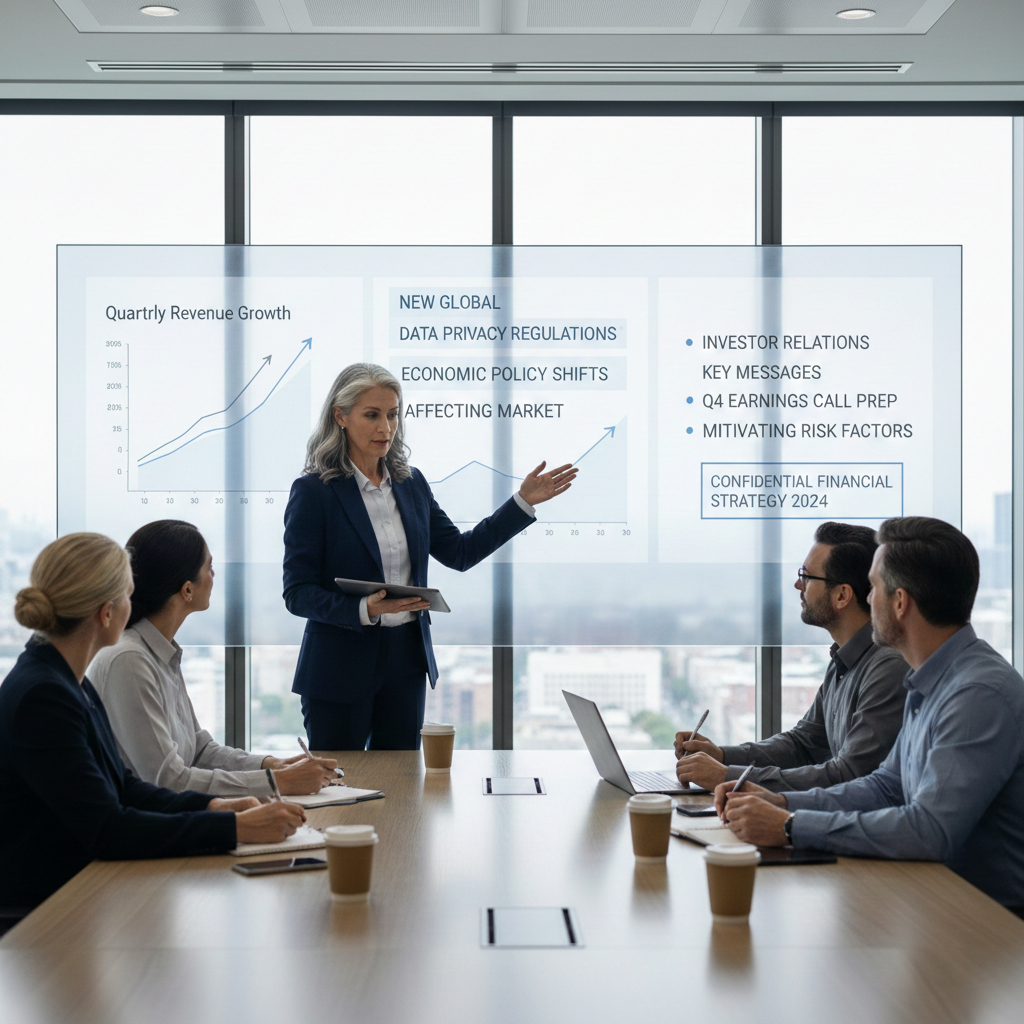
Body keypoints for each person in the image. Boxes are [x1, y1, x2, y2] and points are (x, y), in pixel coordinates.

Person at [715, 516, 1024, 911]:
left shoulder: (977, 694)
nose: (867, 598)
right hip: (932, 902)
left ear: (899, 603)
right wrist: (785, 805)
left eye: (874, 587)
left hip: (986, 927)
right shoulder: (929, 679)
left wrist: (791, 827)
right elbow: (884, 787)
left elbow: (930, 830)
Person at [0, 533, 305, 911]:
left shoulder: (62, 679)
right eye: (129, 597)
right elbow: (107, 829)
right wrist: (237, 828)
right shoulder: (43, 695)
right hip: (46, 911)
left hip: (79, 889)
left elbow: (123, 787)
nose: (136, 607)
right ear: (107, 612)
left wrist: (214, 808)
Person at [284, 362, 577, 750]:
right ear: (340, 416)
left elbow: (459, 552)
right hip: (339, 666)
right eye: (372, 415)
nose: (385, 428)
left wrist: (521, 503)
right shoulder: (314, 492)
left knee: (403, 792)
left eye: (392, 414)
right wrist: (364, 609)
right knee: (340, 791)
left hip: (405, 661)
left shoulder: (411, 483)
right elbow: (298, 592)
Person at [89, 520, 338, 797]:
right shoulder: (129, 661)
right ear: (187, 590)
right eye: (208, 567)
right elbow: (168, 781)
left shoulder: (160, 651)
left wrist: (273, 765)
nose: (214, 574)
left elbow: (199, 751)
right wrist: (276, 782)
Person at [674, 522, 907, 792]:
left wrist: (729, 776)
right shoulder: (845, 659)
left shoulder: (888, 667)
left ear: (842, 595)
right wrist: (722, 756)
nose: (798, 585)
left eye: (807, 577)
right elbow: (803, 744)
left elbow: (849, 775)